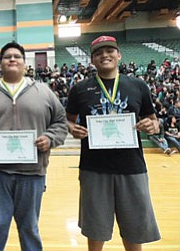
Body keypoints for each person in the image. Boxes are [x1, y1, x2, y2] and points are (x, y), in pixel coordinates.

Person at [0, 41, 68, 251]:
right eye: (7, 57)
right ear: (0, 63)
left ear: (24, 63)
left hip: (33, 174)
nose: (12, 59)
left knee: (30, 228)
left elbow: (60, 123)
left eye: (17, 56)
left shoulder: (44, 91)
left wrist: (49, 138)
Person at [66, 35, 161, 251]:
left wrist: (153, 126)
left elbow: (153, 120)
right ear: (92, 60)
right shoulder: (79, 89)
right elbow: (68, 120)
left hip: (132, 167)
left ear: (119, 55)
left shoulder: (138, 85)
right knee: (95, 227)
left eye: (109, 51)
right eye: (98, 53)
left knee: (135, 226)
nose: (104, 55)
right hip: (94, 168)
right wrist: (72, 128)